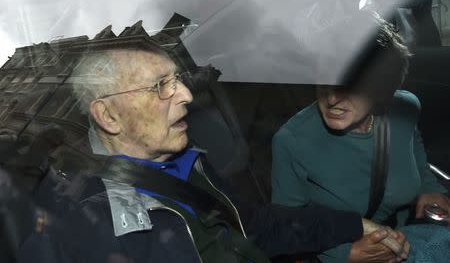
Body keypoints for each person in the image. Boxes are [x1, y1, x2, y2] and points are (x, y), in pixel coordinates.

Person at [15, 39, 405, 262]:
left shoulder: (185, 162)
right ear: (109, 116)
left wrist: (352, 225)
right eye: (160, 87)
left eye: (178, 81)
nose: (185, 95)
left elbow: (256, 225)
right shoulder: (85, 224)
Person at [272, 12, 450, 262]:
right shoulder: (291, 141)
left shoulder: (406, 109)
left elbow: (413, 147)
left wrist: (428, 187)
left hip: (408, 238)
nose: (332, 99)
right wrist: (345, 253)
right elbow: (285, 225)